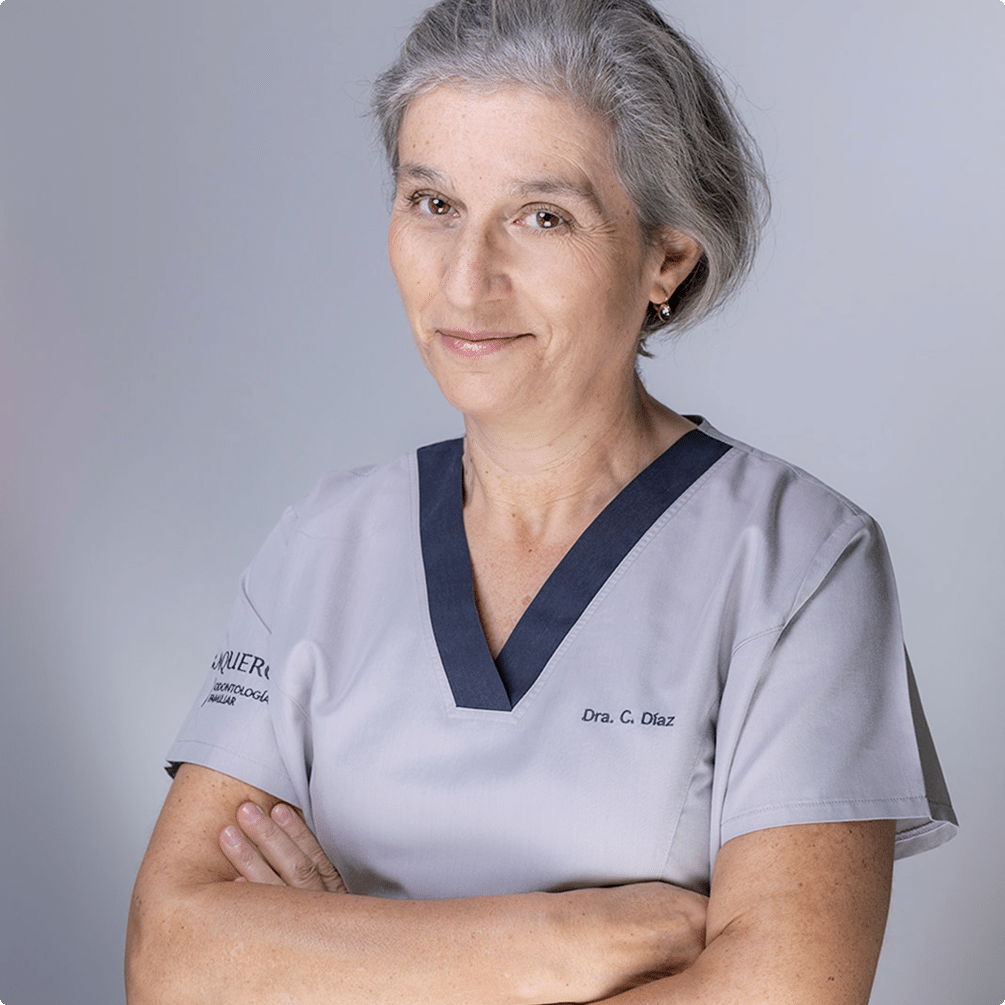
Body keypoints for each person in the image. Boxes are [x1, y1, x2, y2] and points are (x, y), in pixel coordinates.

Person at [125, 0, 957, 1001]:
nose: (466, 280)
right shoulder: (321, 544)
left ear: (666, 258)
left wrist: (328, 956)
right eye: (433, 202)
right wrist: (560, 942)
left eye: (542, 216)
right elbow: (170, 956)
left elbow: (784, 992)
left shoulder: (800, 562)